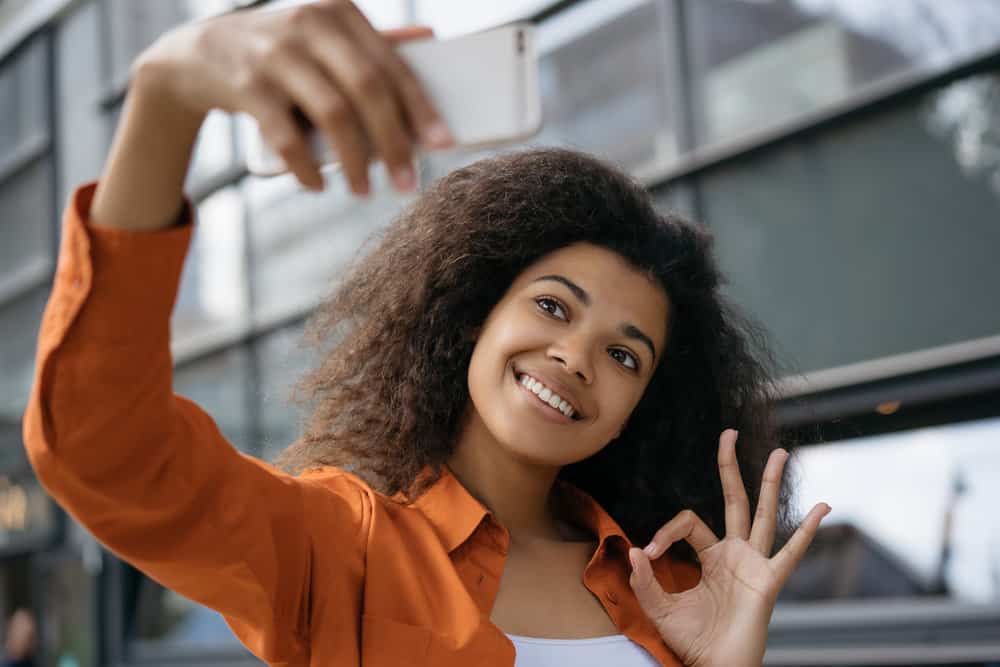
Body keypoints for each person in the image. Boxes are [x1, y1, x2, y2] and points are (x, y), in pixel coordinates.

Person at [21, 1, 830, 665]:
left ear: (639, 406)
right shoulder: (339, 550)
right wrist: (169, 89)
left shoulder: (676, 586)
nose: (575, 356)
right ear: (475, 311)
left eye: (624, 353)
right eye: (552, 305)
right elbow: (105, 450)